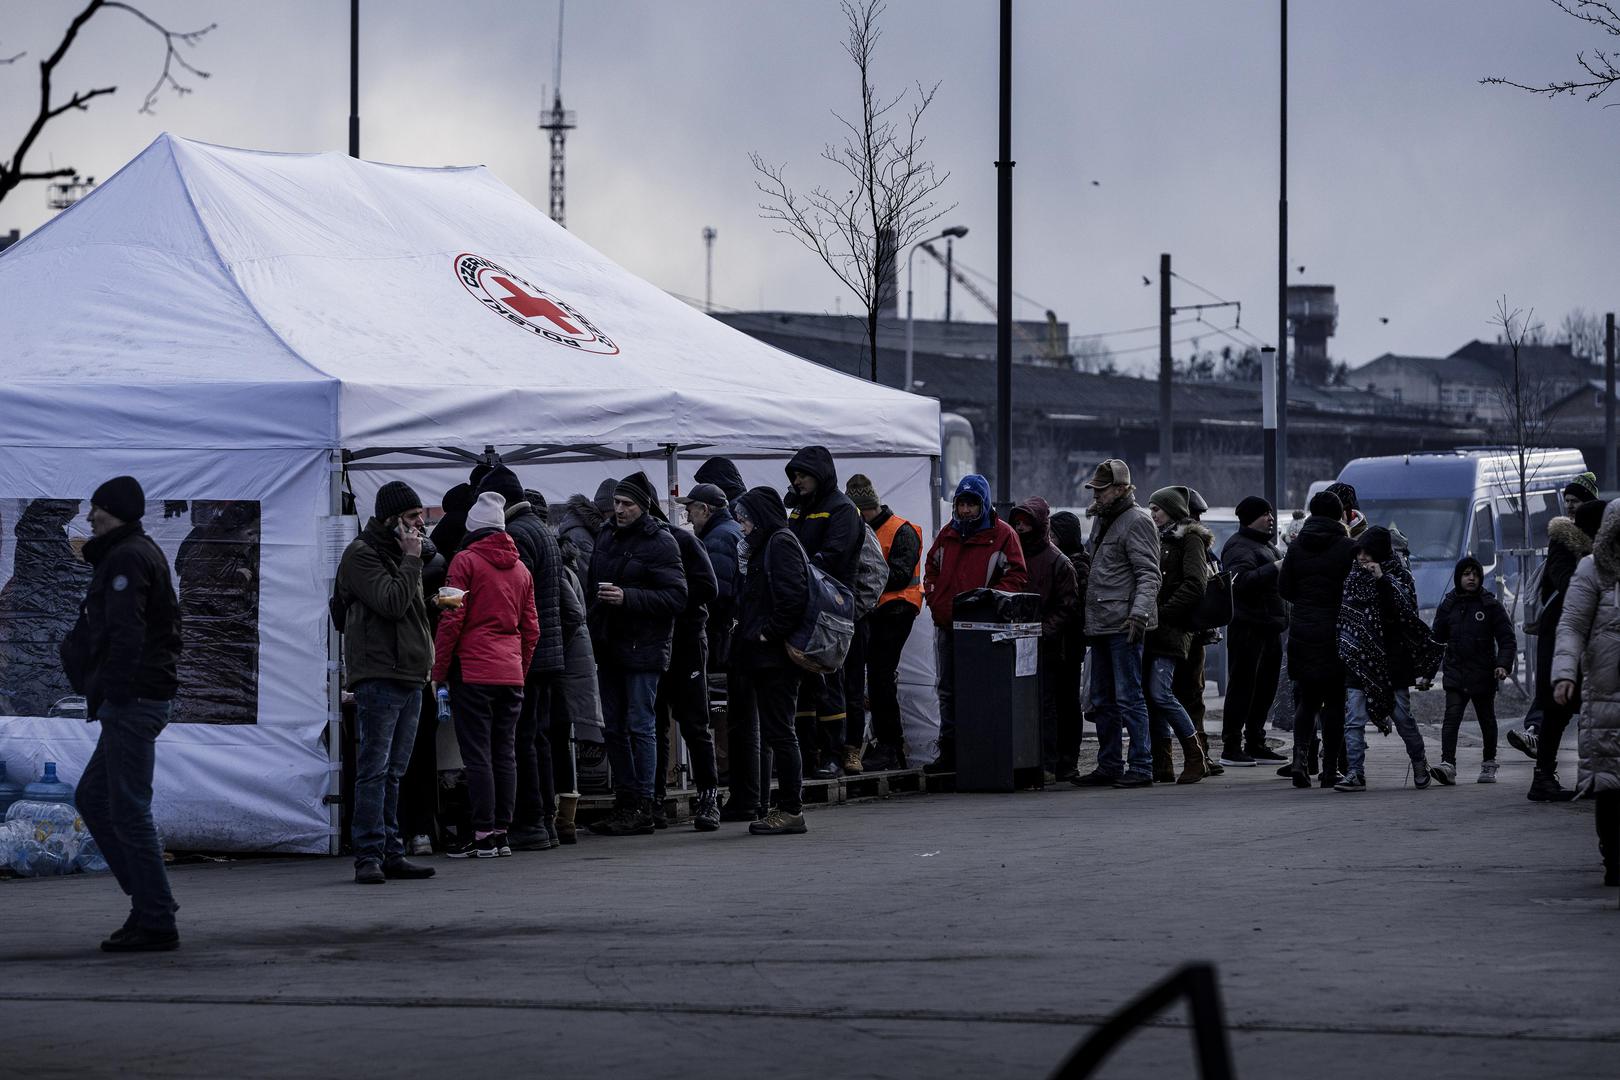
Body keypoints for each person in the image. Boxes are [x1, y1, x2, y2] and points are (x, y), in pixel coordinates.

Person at [58, 476, 184, 951]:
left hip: (132, 700)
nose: (91, 516)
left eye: (99, 510)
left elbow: (127, 634)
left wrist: (115, 694)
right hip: (134, 698)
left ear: (118, 513)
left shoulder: (129, 558)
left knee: (128, 809)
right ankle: (151, 902)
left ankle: (155, 918)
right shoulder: (127, 552)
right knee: (93, 796)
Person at [331, 480, 438, 884]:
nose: (419, 527)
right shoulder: (361, 555)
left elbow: (406, 610)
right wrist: (412, 560)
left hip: (410, 673)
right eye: (412, 518)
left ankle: (392, 849)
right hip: (380, 674)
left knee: (395, 770)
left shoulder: (398, 552)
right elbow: (391, 603)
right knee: (374, 770)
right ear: (392, 519)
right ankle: (369, 854)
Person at [431, 491, 539, 858]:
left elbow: (450, 620)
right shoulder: (522, 569)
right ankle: (502, 832)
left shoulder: (463, 562)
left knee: (476, 755)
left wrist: (439, 670)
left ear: (472, 527)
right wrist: (519, 668)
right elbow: (532, 628)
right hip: (510, 672)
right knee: (504, 753)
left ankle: (481, 833)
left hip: (473, 671)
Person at [616, 472, 721, 833]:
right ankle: (655, 799)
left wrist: (668, 602)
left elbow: (708, 587)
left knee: (694, 721)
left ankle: (709, 797)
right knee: (654, 721)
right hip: (650, 645)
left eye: (627, 504)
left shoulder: (680, 541)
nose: (619, 511)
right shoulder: (629, 543)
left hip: (686, 642)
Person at [585, 474, 687, 836]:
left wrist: (629, 598)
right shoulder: (606, 535)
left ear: (643, 506)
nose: (620, 509)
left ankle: (645, 802)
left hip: (643, 647)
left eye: (627, 504)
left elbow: (677, 597)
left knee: (640, 724)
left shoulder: (660, 541)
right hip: (610, 643)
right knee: (612, 727)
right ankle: (626, 801)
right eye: (617, 503)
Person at [475, 467, 566, 852]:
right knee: (538, 738)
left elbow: (514, 598)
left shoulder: (517, 534)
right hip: (549, 651)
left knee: (522, 740)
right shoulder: (543, 529)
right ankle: (546, 819)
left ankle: (530, 821)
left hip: (527, 652)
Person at [923, 474, 1029, 772]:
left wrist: (988, 602)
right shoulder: (947, 535)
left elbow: (1017, 577)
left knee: (980, 690)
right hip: (948, 626)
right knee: (948, 690)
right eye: (962, 504)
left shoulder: (1003, 535)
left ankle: (978, 750)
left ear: (983, 504)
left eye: (971, 504)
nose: (966, 510)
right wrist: (935, 601)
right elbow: (930, 570)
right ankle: (951, 751)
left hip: (982, 630)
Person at [1071, 459, 1161, 789]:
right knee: (1103, 699)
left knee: (1129, 697)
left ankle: (1141, 764)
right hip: (1102, 625)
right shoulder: (1104, 522)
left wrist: (1138, 615)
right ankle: (1110, 764)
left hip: (1122, 625)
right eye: (1095, 489)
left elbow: (1149, 574)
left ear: (1121, 489)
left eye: (1101, 489)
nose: (1096, 494)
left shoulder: (1135, 521)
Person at [729, 486, 812, 834]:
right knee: (777, 732)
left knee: (781, 732)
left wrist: (768, 632)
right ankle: (780, 806)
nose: (742, 526)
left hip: (775, 658)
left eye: (745, 519)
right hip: (763, 657)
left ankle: (791, 809)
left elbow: (794, 597)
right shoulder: (769, 543)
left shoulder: (780, 543)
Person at [1335, 526, 1441, 792]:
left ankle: (1419, 762)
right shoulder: (1352, 578)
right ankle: (1355, 773)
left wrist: (1382, 580)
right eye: (1359, 552)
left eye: (1367, 553)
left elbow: (1405, 613)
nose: (1361, 558)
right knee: (1354, 720)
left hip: (1392, 662)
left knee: (1403, 718)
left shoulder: (1399, 576)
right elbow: (1346, 617)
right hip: (1359, 660)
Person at [1513, 500, 1605, 800]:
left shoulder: (1602, 553)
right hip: (1562, 635)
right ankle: (1543, 778)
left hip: (1584, 639)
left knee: (1586, 710)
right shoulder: (1566, 546)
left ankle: (1588, 777)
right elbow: (1568, 586)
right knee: (1558, 709)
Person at [1549, 498, 1620, 887]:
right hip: (1605, 694)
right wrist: (1564, 674)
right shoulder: (1592, 569)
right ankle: (1613, 859)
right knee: (1608, 782)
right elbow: (1572, 625)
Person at [784, 446, 865, 778]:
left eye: (802, 475)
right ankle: (806, 752)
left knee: (829, 680)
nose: (797, 481)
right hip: (804, 605)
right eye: (794, 476)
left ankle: (833, 753)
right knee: (803, 682)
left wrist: (796, 571)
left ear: (819, 475)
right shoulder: (799, 511)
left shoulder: (843, 510)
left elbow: (834, 556)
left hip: (832, 608)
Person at [1279, 491, 1356, 789]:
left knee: (1308, 700)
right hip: (1336, 633)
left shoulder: (1296, 547)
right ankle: (1329, 769)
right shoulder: (1349, 547)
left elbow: (1284, 589)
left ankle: (1299, 760)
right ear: (1339, 514)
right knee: (1335, 702)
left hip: (1303, 631)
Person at [852, 478, 924, 772]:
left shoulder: (901, 530)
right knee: (878, 678)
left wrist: (861, 577)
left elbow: (899, 575)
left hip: (896, 610)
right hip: (878, 611)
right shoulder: (875, 528)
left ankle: (890, 746)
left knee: (880, 677)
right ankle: (889, 746)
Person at [1140, 487, 1211, 785]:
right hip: (1152, 629)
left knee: (1160, 693)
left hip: (1171, 629)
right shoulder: (1157, 537)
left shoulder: (1189, 538)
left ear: (1172, 509)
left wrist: (1164, 612)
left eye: (1158, 509)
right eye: (1151, 509)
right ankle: (1162, 764)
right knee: (1152, 698)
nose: (1153, 514)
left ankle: (1196, 757)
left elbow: (1196, 583)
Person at [1425, 556, 1515, 785]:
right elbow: (1435, 642)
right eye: (1466, 574)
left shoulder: (1490, 605)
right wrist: (1427, 673)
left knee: (1487, 719)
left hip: (1483, 674)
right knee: (1451, 718)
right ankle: (1448, 765)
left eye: (1474, 574)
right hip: (1455, 672)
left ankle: (1489, 764)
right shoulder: (1448, 605)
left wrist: (1502, 665)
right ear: (1458, 578)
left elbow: (1507, 638)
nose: (1471, 578)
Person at [1010, 496, 1080, 781]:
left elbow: (1067, 606)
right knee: (1026, 704)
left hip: (1048, 646)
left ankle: (1047, 762)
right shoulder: (1014, 555)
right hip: (1021, 642)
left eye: (1027, 521)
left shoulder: (1058, 563)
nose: (1021, 526)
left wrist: (1042, 632)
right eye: (1018, 521)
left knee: (1046, 705)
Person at [1218, 496, 1287, 767]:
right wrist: (1275, 568)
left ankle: (1256, 742)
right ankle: (1231, 746)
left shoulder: (1266, 545)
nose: (1270, 518)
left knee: (1264, 689)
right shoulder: (1237, 547)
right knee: (1243, 687)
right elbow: (1240, 583)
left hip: (1270, 627)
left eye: (1270, 512)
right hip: (1247, 628)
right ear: (1249, 518)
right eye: (1264, 514)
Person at [1176, 489, 1222, 777]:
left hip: (1192, 631)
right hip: (1189, 629)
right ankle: (1198, 754)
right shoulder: (1191, 543)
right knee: (1190, 696)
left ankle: (1199, 755)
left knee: (1192, 696)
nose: (1198, 519)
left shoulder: (1197, 544)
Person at [1048, 510, 1091, 781]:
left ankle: (1067, 759)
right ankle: (1063, 758)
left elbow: (1075, 607)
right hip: (1064, 642)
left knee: (1066, 703)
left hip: (1068, 643)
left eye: (1054, 535)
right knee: (1062, 702)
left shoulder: (1077, 565)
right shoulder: (1072, 561)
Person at [559, 479, 617, 575]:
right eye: (618, 504)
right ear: (608, 509)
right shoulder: (580, 537)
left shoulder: (593, 529)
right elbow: (592, 576)